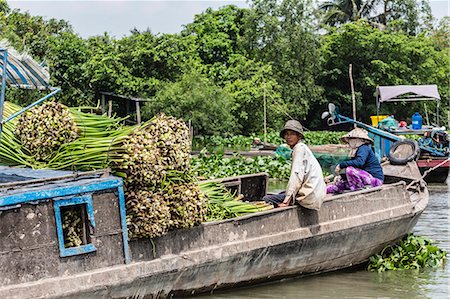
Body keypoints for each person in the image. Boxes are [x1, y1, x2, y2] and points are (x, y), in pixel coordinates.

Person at [263, 120, 326, 210]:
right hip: (315, 195)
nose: (288, 137)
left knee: (267, 199)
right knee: (282, 193)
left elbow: (296, 177)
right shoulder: (303, 148)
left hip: (309, 197)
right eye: (287, 134)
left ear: (299, 136)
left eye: (292, 134)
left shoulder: (299, 149)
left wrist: (286, 201)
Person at [327, 128, 384, 194]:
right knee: (339, 185)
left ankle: (358, 189)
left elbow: (359, 162)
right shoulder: (356, 150)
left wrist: (341, 165)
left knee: (350, 170)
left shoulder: (363, 148)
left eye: (351, 139)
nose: (349, 142)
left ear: (357, 140)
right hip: (364, 179)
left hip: (375, 180)